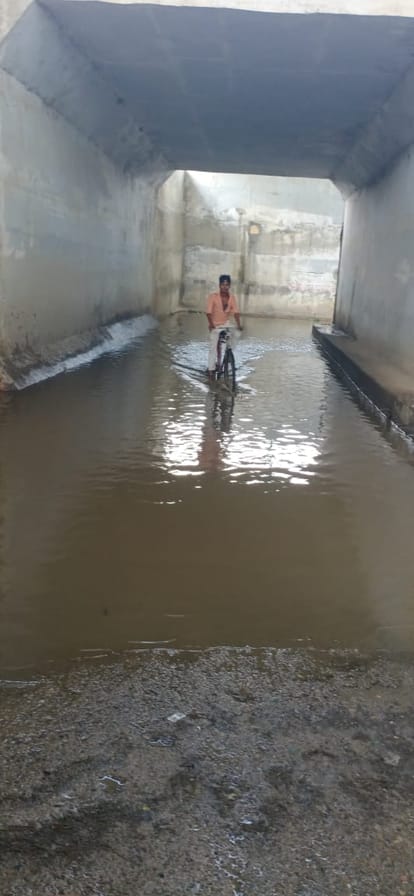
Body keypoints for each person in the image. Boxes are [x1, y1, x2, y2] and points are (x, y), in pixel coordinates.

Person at [206, 275, 242, 379]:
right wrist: (211, 325)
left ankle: (229, 353)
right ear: (219, 285)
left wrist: (239, 325)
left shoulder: (232, 298)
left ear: (229, 286)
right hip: (215, 325)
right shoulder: (213, 297)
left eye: (227, 285)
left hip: (226, 324)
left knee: (237, 333)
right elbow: (208, 313)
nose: (225, 287)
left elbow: (236, 313)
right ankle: (211, 369)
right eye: (223, 284)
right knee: (213, 346)